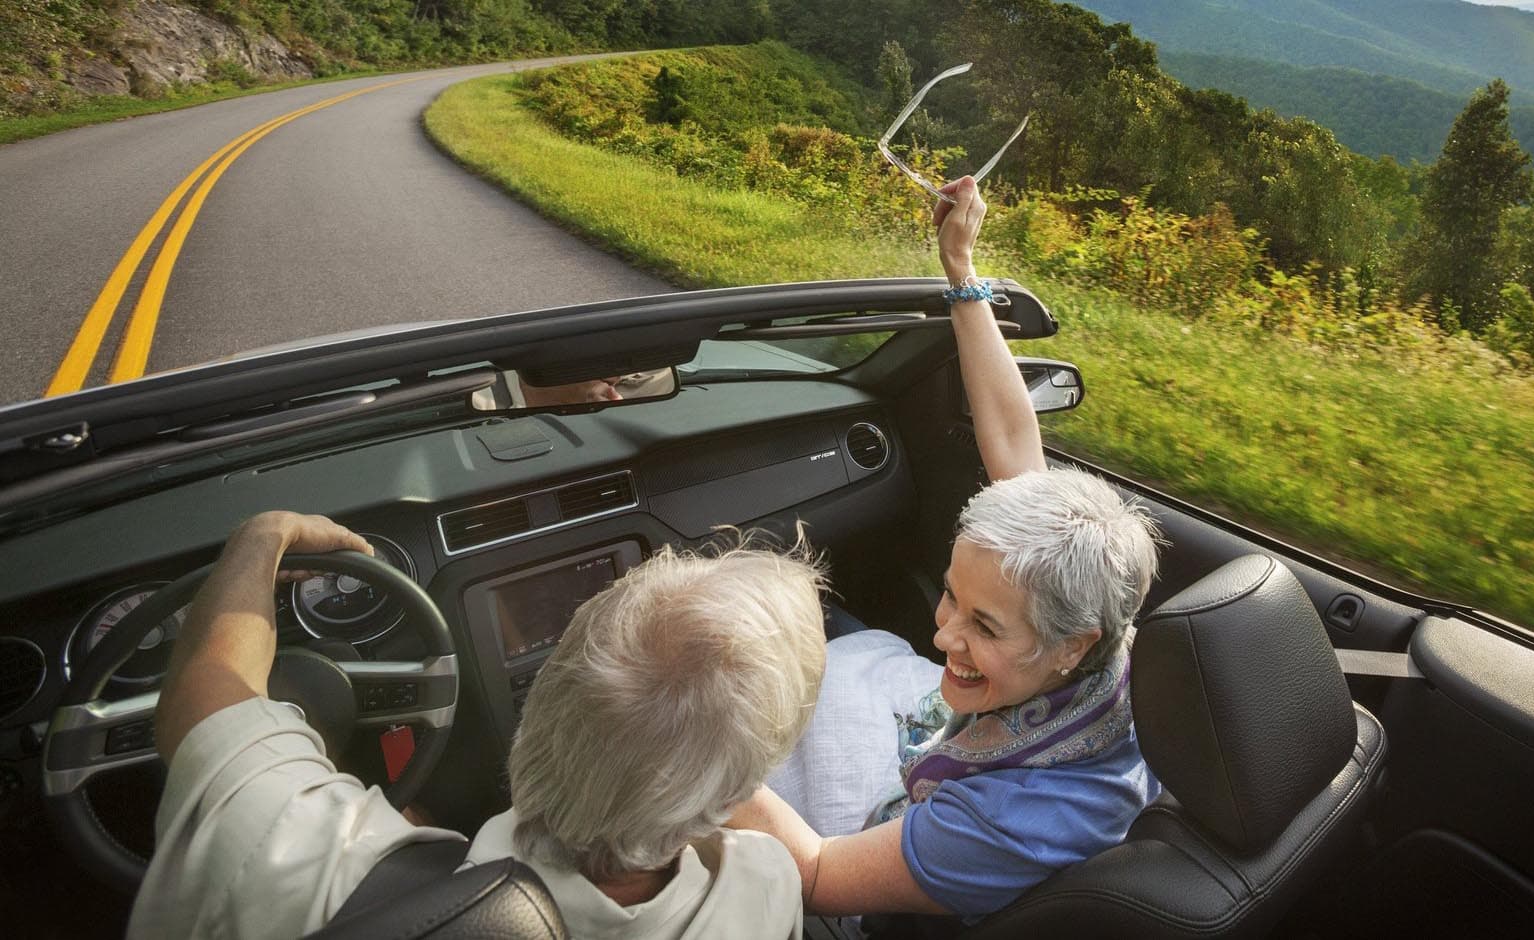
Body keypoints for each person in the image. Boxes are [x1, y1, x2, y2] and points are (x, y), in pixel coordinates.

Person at [729, 176, 1163, 921]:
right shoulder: (1102, 651)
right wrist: (962, 273)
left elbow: (821, 875)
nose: (941, 633)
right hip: (940, 749)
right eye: (954, 596)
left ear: (1072, 644)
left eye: (984, 626)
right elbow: (1017, 452)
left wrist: (678, 746)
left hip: (852, 878)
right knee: (831, 625)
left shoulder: (1022, 819)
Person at [129, 510, 826, 939]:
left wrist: (263, 536)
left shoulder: (294, 856)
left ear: (544, 701)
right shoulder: (762, 888)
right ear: (732, 799)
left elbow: (202, 697)